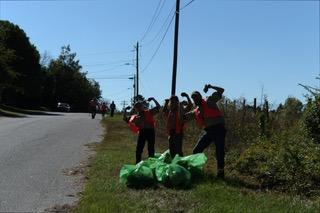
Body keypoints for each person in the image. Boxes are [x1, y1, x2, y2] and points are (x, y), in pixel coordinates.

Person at [184, 84, 226, 179]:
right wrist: (180, 108)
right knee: (196, 150)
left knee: (219, 151)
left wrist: (210, 87)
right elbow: (184, 117)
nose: (195, 99)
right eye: (193, 98)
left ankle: (220, 173)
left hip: (219, 129)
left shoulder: (209, 100)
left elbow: (221, 90)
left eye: (196, 97)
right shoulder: (196, 111)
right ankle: (197, 170)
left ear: (200, 97)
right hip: (209, 131)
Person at [123, 97, 160, 164]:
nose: (139, 107)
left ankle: (152, 164)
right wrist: (125, 110)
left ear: (142, 106)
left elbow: (158, 107)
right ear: (136, 108)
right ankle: (137, 163)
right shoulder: (135, 117)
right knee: (139, 149)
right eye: (137, 106)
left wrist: (154, 99)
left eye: (140, 106)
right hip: (142, 132)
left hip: (150, 132)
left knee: (151, 149)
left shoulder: (149, 112)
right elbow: (125, 119)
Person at [163, 93, 192, 158]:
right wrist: (166, 102)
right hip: (171, 133)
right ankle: (174, 164)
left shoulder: (181, 109)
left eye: (174, 101)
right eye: (171, 102)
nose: (172, 103)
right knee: (171, 150)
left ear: (177, 102)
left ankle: (180, 165)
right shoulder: (170, 111)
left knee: (178, 150)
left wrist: (187, 96)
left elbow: (190, 106)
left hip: (178, 133)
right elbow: (164, 111)